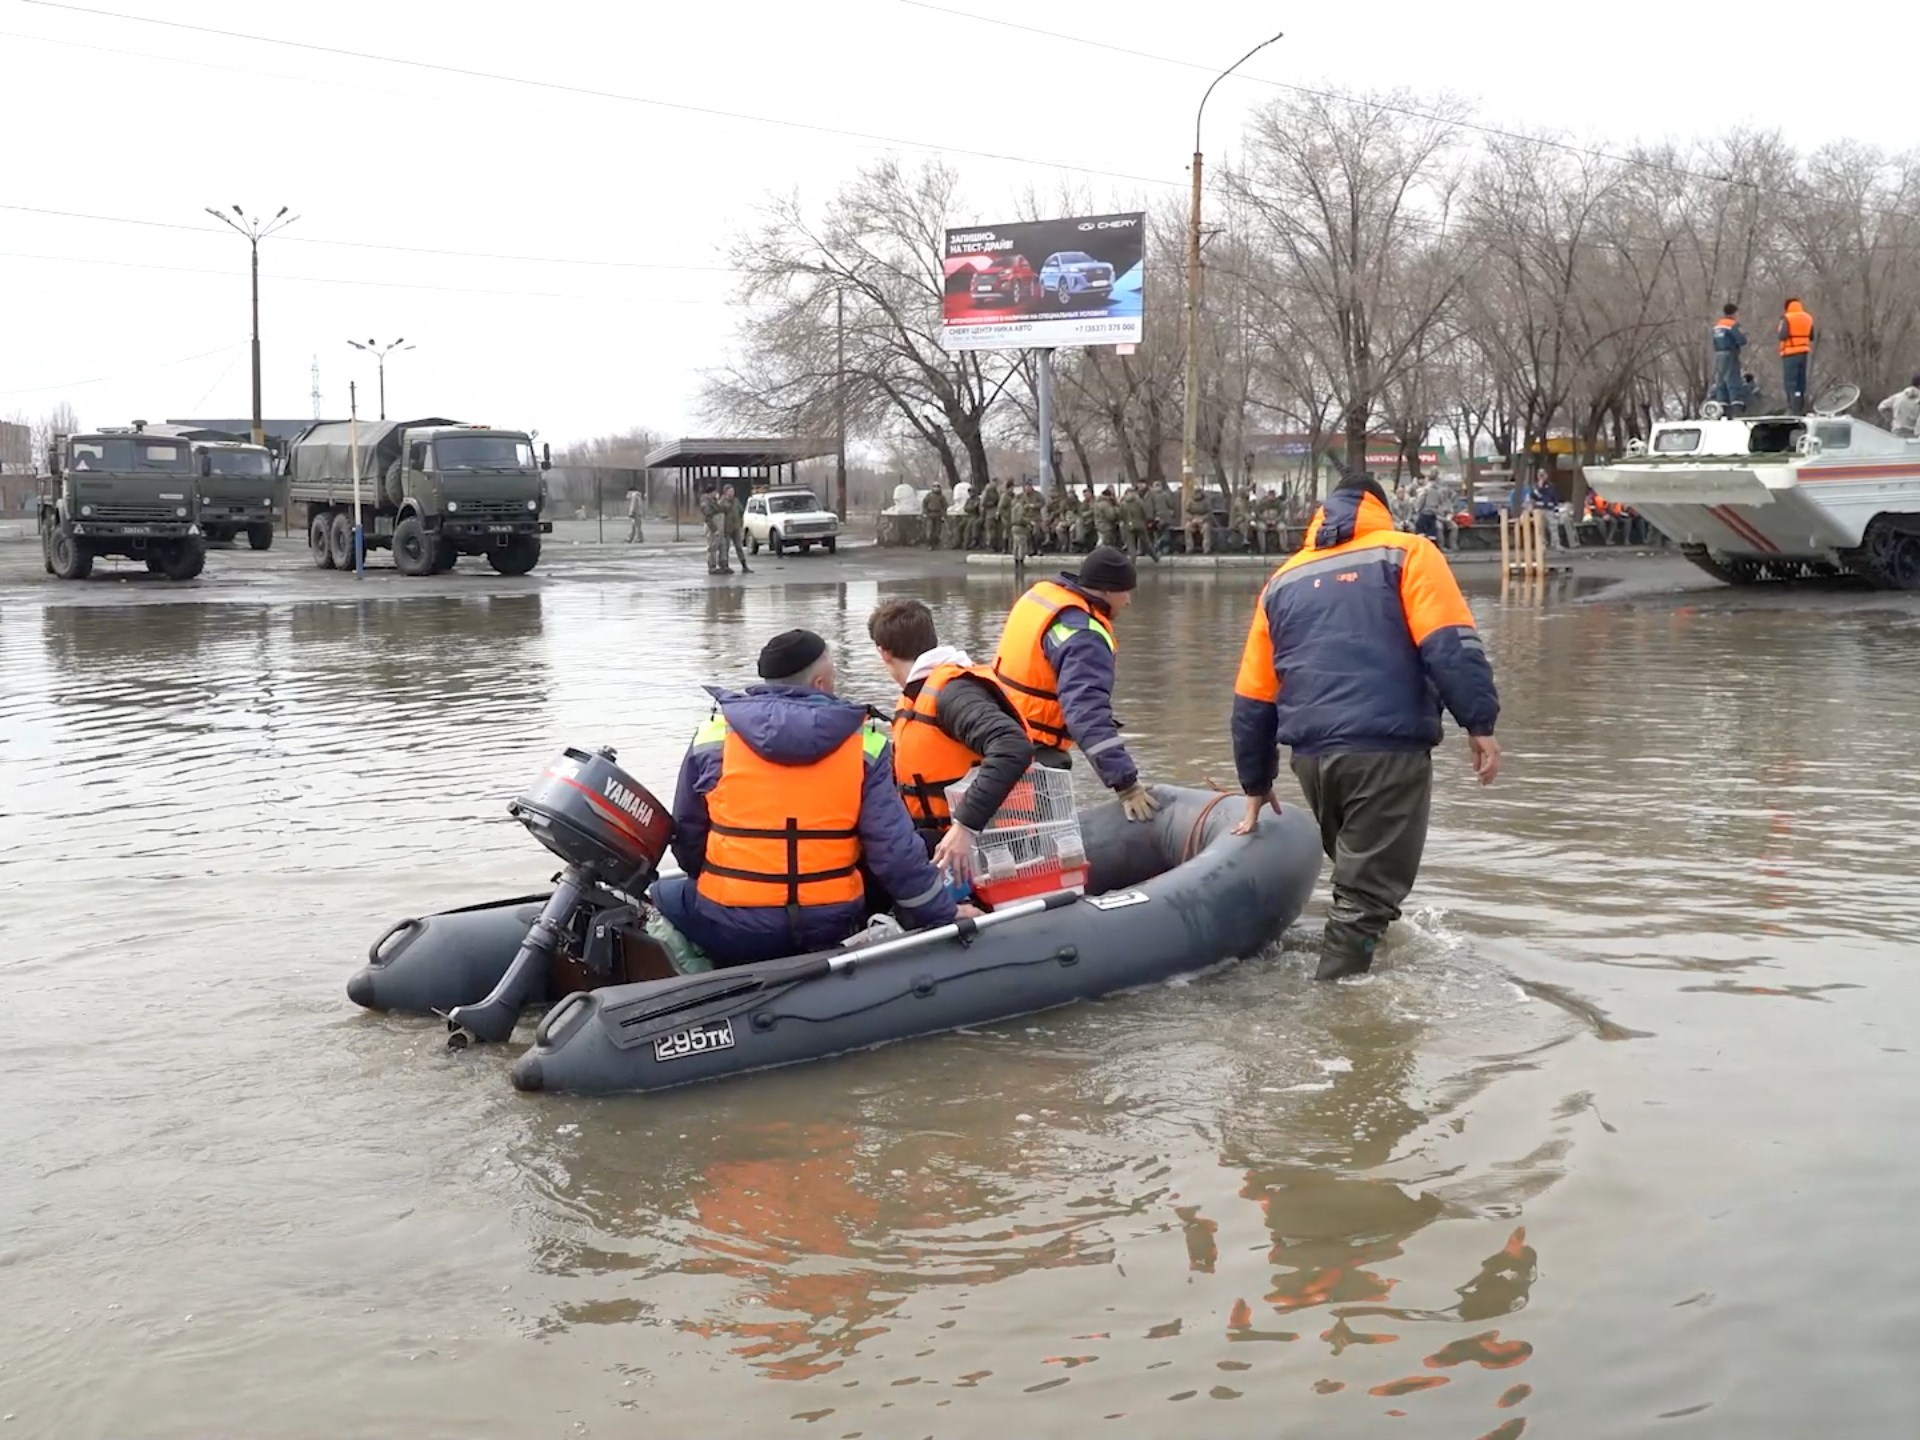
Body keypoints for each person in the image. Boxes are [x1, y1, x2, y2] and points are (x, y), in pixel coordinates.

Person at [1230, 471, 1502, 981]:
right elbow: (1449, 644)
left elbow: (1253, 693)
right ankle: (1340, 1010)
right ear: (1380, 507)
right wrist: (1479, 722)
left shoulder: (1283, 580)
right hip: (1385, 750)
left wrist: (1255, 781)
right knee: (1366, 895)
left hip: (1312, 760)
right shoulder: (1408, 553)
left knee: (1356, 879)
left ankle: (1349, 967)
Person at [651, 629, 957, 968]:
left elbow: (687, 838)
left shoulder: (714, 736)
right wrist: (944, 914)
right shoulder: (866, 744)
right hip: (830, 924)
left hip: (731, 926)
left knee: (662, 895)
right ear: (821, 683)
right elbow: (894, 852)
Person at [869, 598, 1034, 877]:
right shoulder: (918, 696)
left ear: (883, 653)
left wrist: (965, 826)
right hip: (941, 836)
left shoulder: (953, 693)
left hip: (990, 844)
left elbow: (1012, 745)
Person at [992, 545, 1156, 822]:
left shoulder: (1042, 596)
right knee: (1044, 846)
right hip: (1036, 751)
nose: (1128, 601)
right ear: (1105, 591)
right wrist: (1127, 785)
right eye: (1125, 592)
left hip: (998, 734)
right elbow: (1085, 712)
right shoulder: (1084, 635)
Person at [1778, 297, 1816, 416]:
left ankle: (1792, 409)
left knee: (1790, 382)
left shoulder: (1787, 318)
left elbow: (1782, 335)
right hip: (1803, 352)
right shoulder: (1808, 317)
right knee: (1801, 381)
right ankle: (1800, 407)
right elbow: (1811, 336)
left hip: (1790, 353)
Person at [1710, 301, 1747, 414]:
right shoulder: (1732, 325)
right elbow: (1742, 340)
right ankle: (1736, 408)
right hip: (1730, 354)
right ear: (1733, 313)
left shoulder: (1717, 326)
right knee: (1733, 380)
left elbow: (1713, 342)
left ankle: (1722, 408)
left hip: (1718, 355)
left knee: (1721, 381)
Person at [698, 483, 728, 575]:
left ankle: (723, 565)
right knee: (713, 547)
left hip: (720, 526)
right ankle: (712, 566)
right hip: (713, 527)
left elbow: (722, 509)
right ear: (711, 492)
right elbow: (708, 516)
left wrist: (718, 500)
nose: (716, 493)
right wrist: (714, 529)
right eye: (714, 492)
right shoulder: (705, 502)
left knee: (722, 545)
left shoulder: (714, 501)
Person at [722, 484, 752, 573]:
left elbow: (741, 511)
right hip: (726, 528)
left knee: (739, 547)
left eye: (733, 491)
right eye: (730, 491)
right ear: (725, 492)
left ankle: (744, 566)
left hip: (736, 528)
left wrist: (741, 522)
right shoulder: (722, 502)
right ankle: (725, 566)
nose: (732, 493)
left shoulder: (736, 501)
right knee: (725, 548)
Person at [1120, 484, 1154, 561]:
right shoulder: (1139, 501)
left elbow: (1120, 515)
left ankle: (1132, 562)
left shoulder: (1123, 503)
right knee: (1146, 542)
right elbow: (1145, 512)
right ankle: (1156, 558)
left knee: (1131, 545)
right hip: (1140, 525)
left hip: (1129, 526)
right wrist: (1146, 520)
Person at [1149, 478, 1179, 556]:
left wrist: (1169, 513)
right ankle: (1159, 548)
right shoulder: (1151, 496)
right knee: (1158, 534)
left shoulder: (1165, 495)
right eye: (1156, 486)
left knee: (1166, 534)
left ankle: (1165, 548)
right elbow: (1151, 507)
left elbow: (1171, 505)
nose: (1157, 487)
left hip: (1166, 518)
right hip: (1156, 518)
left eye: (1158, 485)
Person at [1184, 484, 1213, 554]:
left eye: (1199, 492)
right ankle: (1189, 548)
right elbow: (1186, 512)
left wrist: (1202, 519)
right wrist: (1192, 519)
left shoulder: (1206, 500)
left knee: (1206, 528)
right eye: (1196, 492)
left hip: (1203, 520)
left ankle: (1206, 548)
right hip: (1192, 519)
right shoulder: (1190, 500)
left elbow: (1210, 513)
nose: (1197, 494)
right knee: (1187, 527)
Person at [923, 482, 948, 548]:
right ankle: (929, 544)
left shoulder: (942, 497)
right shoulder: (929, 495)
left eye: (937, 486)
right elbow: (924, 504)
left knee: (937, 531)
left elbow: (945, 506)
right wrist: (925, 512)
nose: (936, 488)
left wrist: (943, 515)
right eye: (934, 486)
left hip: (938, 514)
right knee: (929, 530)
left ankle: (935, 544)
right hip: (930, 514)